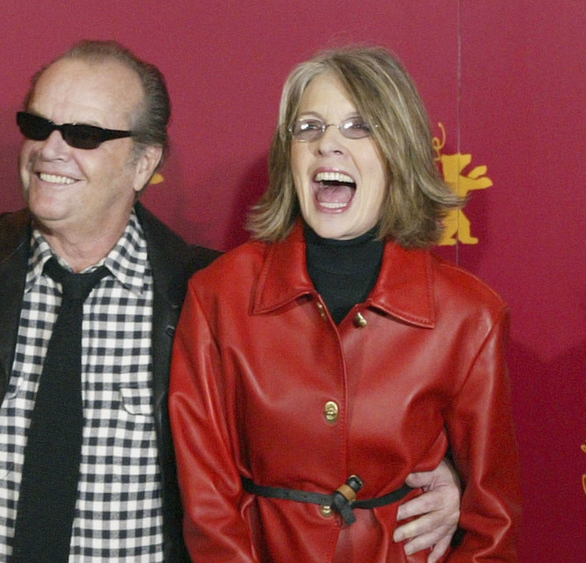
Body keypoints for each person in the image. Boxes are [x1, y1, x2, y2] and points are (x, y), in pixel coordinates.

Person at [0, 40, 461, 562]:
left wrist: (440, 477)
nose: (51, 149)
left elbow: (313, 419)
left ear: (144, 162)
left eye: (82, 134)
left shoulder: (206, 292)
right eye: (38, 126)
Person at [169, 45, 520, 561]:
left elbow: (493, 524)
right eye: (308, 127)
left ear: (399, 151)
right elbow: (208, 507)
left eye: (359, 127)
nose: (327, 144)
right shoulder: (217, 295)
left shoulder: (470, 317)